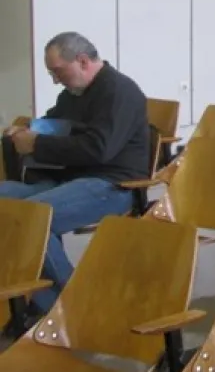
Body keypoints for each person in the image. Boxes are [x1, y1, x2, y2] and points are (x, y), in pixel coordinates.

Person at [0, 32, 149, 313]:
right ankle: (34, 299)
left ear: (82, 61)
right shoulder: (74, 93)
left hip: (112, 184)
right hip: (70, 178)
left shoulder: (120, 92)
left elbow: (98, 149)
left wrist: (36, 144)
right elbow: (52, 124)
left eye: (58, 72)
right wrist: (27, 131)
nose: (56, 80)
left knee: (33, 218)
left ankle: (72, 307)